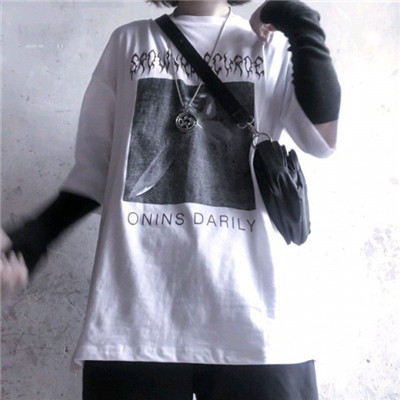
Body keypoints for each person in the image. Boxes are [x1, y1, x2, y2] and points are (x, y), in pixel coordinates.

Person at [1, 0, 340, 398]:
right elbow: (95, 172)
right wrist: (33, 239)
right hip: (135, 321)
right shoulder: (129, 43)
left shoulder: (266, 46)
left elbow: (322, 140)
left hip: (256, 319)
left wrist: (294, 17)